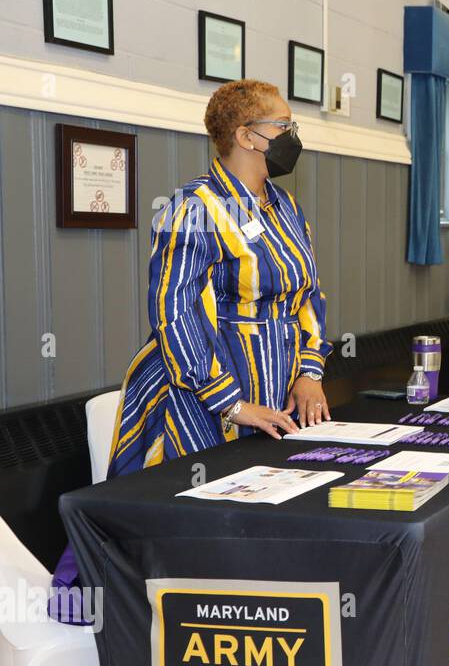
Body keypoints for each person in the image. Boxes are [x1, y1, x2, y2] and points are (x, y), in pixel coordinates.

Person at [50, 79, 333, 618]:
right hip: (195, 397)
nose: (293, 135)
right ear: (247, 135)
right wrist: (229, 401)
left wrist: (310, 372)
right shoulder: (192, 208)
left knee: (264, 527)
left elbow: (309, 296)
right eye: (283, 125)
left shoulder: (287, 208)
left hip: (274, 392)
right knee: (197, 535)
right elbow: (172, 313)